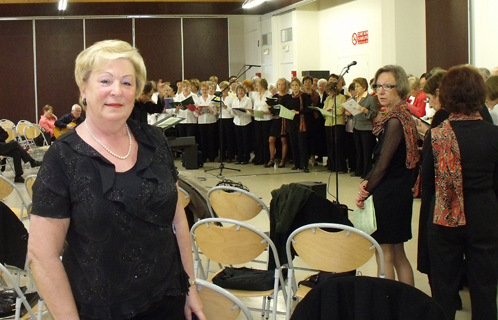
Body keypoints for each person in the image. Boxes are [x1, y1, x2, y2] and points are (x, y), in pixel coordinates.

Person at [27, 40, 205, 320]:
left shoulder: (154, 141)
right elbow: (43, 255)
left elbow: (177, 219)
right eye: (106, 80)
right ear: (84, 88)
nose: (117, 91)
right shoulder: (63, 158)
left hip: (168, 298)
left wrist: (190, 287)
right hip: (101, 310)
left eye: (127, 82)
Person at [421, 65, 498, 320]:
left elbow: (428, 185)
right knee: (485, 285)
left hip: (444, 215)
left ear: (447, 96)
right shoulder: (493, 135)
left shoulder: (436, 135)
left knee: (444, 286)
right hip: (484, 213)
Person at [356, 65, 419, 287]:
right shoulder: (401, 115)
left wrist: (366, 189)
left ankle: (387, 305)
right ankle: (404, 305)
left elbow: (382, 164)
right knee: (398, 253)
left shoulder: (394, 121)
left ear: (400, 88)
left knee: (385, 255)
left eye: (387, 86)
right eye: (378, 86)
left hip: (390, 194)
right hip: (398, 191)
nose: (381, 91)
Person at [349, 77, 377, 178]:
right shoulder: (353, 98)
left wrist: (366, 111)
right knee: (358, 150)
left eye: (358, 86)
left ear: (364, 87)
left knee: (366, 151)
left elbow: (374, 113)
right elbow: (352, 112)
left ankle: (367, 172)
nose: (356, 88)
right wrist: (349, 112)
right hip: (356, 126)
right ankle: (358, 170)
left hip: (366, 127)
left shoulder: (370, 99)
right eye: (355, 86)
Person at [287, 78, 312, 173]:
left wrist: (299, 112)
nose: (294, 87)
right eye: (293, 85)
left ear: (300, 86)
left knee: (302, 144)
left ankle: (304, 164)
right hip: (291, 121)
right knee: (293, 143)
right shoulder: (289, 97)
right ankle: (296, 164)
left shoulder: (304, 96)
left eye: (296, 85)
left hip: (302, 122)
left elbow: (309, 109)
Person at [323, 81, 347, 172]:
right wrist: (325, 110)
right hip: (328, 123)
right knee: (330, 145)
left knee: (338, 145)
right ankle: (332, 166)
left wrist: (332, 109)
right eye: (327, 91)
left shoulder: (341, 97)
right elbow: (324, 109)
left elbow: (341, 111)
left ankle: (341, 166)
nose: (329, 93)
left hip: (338, 123)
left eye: (330, 91)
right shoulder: (328, 99)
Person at [268, 78, 291, 168]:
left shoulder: (288, 97)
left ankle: (283, 159)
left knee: (283, 140)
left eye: (282, 84)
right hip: (275, 119)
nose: (281, 86)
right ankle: (271, 158)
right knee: (271, 139)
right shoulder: (275, 96)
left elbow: (289, 108)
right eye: (279, 84)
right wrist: (270, 107)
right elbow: (272, 109)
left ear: (285, 85)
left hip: (283, 120)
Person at [252, 78, 273, 165]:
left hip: (266, 119)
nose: (256, 87)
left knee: (265, 140)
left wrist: (264, 112)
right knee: (258, 139)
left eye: (257, 85)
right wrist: (253, 111)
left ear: (262, 85)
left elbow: (271, 109)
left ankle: (266, 158)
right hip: (257, 119)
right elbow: (255, 106)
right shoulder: (257, 95)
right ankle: (259, 158)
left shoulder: (269, 95)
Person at [195, 81, 217, 163]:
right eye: (202, 89)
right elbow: (195, 111)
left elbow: (216, 111)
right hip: (201, 121)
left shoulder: (213, 98)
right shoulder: (198, 99)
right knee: (203, 140)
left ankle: (212, 156)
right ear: (200, 90)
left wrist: (212, 111)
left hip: (211, 120)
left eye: (205, 89)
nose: (204, 91)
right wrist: (197, 111)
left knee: (211, 139)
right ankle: (204, 156)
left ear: (208, 90)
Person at [231, 84, 252, 164]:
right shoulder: (234, 100)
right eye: (239, 90)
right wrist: (234, 112)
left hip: (245, 122)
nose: (240, 92)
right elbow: (232, 111)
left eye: (242, 90)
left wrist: (241, 113)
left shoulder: (248, 100)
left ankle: (246, 158)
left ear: (244, 91)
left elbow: (249, 112)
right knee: (239, 141)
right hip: (236, 122)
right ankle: (240, 157)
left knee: (245, 141)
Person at [217, 81, 236, 162]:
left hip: (229, 119)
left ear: (228, 89)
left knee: (229, 138)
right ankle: (222, 156)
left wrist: (225, 107)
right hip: (221, 119)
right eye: (222, 89)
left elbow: (232, 111)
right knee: (221, 138)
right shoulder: (219, 98)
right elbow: (217, 111)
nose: (223, 91)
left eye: (225, 89)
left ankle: (230, 156)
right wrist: (217, 109)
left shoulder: (232, 99)